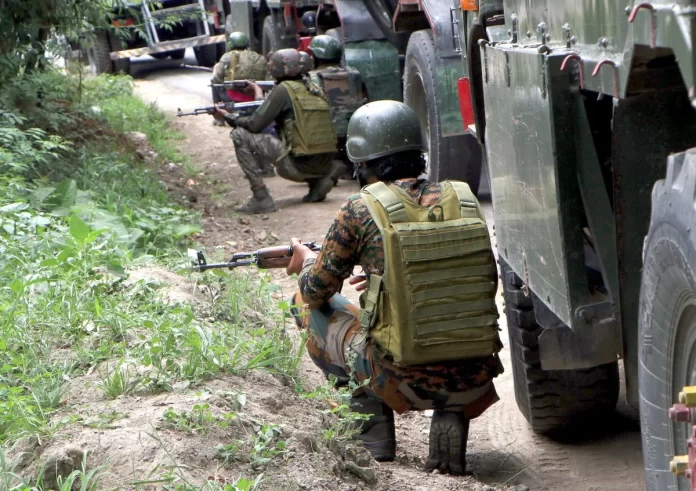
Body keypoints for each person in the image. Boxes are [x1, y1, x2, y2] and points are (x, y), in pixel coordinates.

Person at [285, 101, 503, 474]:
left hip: (402, 379)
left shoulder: (358, 209)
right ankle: (452, 411)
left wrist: (305, 261)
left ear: (361, 162)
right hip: (474, 376)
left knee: (303, 305)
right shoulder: (463, 199)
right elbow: (477, 280)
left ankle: (372, 430)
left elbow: (315, 291)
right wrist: (383, 280)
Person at [214, 48, 340, 214]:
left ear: (276, 69)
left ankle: (261, 197)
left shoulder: (283, 90)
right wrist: (258, 94)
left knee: (239, 134)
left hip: (297, 167)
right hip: (325, 164)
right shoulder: (314, 87)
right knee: (302, 140)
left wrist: (228, 116)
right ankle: (318, 182)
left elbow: (255, 125)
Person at [307, 35, 367, 178]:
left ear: (316, 56)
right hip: (354, 130)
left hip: (325, 134)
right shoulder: (354, 74)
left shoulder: (310, 77)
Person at [210, 32, 267, 126]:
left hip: (232, 98)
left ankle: (219, 117)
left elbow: (217, 80)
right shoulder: (259, 57)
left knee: (214, 82)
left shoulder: (227, 57)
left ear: (230, 44)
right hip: (255, 98)